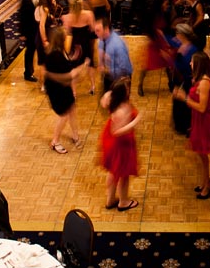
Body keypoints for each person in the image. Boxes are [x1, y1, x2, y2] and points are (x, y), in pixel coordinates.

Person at [172, 52, 210, 200]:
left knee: (202, 156)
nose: (190, 64)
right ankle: (204, 181)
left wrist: (184, 98)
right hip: (198, 121)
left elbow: (202, 107)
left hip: (204, 122)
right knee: (199, 155)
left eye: (192, 62)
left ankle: (207, 185)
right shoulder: (199, 80)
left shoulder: (204, 82)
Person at [43, 26, 89, 154]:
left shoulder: (59, 51)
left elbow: (65, 65)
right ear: (61, 39)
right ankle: (55, 141)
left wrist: (73, 58)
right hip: (56, 89)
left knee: (72, 109)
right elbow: (68, 75)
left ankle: (75, 136)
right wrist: (82, 66)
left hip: (63, 87)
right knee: (64, 115)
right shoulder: (55, 55)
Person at [99, 77, 141, 211]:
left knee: (113, 171)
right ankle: (123, 202)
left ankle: (110, 199)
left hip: (110, 142)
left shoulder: (110, 97)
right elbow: (116, 132)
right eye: (127, 89)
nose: (129, 90)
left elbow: (103, 102)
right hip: (121, 144)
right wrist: (134, 122)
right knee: (123, 174)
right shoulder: (123, 109)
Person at [62, 0, 96, 94]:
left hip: (75, 44)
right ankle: (93, 86)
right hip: (86, 42)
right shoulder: (89, 14)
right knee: (90, 64)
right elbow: (92, 29)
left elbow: (67, 32)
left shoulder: (66, 17)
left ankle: (74, 92)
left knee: (74, 67)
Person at [169, 23, 199, 135]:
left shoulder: (192, 51)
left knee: (185, 105)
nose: (175, 35)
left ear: (182, 35)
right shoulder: (179, 44)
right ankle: (181, 125)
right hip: (179, 80)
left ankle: (186, 126)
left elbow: (192, 69)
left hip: (187, 81)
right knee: (178, 103)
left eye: (177, 33)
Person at [95, 17, 132, 95]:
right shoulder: (102, 39)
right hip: (109, 78)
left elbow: (124, 69)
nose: (95, 33)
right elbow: (101, 49)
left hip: (120, 81)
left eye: (98, 30)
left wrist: (107, 71)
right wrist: (101, 63)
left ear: (106, 29)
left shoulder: (118, 45)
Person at [18, 0, 43, 81]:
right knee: (30, 51)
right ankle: (28, 73)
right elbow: (22, 17)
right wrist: (22, 33)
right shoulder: (26, 0)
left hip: (38, 28)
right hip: (30, 30)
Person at [35, 0, 57, 92]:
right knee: (44, 63)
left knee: (44, 63)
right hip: (44, 37)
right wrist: (45, 40)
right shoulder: (44, 9)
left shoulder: (38, 7)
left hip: (38, 36)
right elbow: (42, 26)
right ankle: (44, 84)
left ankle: (45, 83)